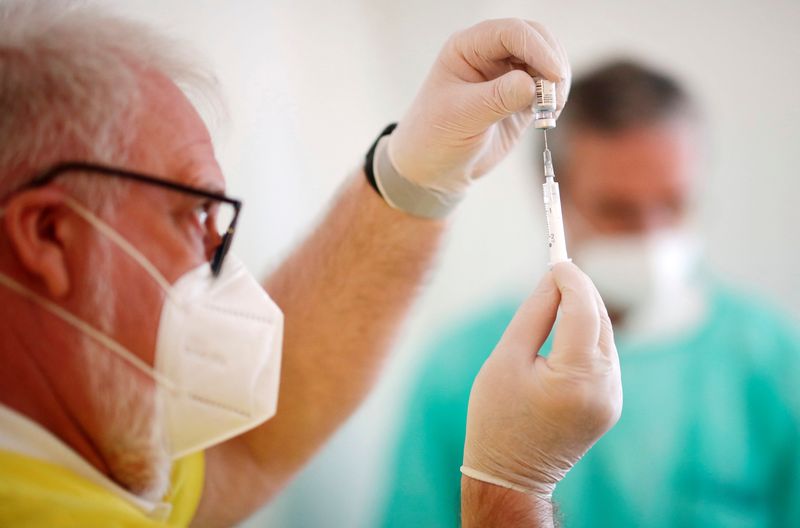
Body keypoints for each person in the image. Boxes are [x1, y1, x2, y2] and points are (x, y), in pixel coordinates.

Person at [0, 2, 623, 526]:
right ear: (49, 234)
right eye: (194, 212)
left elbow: (248, 447)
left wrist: (411, 179)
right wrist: (510, 490)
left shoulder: (82, 452)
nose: (217, 250)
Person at [380, 60, 800, 527]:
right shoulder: (463, 370)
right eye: (617, 210)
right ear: (553, 202)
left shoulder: (774, 358)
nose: (651, 235)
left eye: (674, 204)